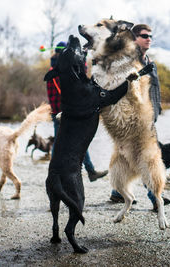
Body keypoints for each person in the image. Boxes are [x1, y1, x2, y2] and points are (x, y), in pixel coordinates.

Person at [109, 24, 170, 211]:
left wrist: (157, 109)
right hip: (133, 120)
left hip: (149, 117)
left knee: (127, 155)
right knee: (146, 156)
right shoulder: (128, 63)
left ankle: (117, 192)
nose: (148, 38)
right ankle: (154, 196)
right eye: (144, 35)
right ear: (134, 39)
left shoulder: (150, 62)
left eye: (150, 36)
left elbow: (155, 89)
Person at [46, 41, 108, 182]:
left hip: (57, 113)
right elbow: (81, 74)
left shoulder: (52, 70)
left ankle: (57, 172)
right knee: (74, 142)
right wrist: (83, 56)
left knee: (62, 143)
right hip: (67, 114)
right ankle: (86, 171)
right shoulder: (64, 68)